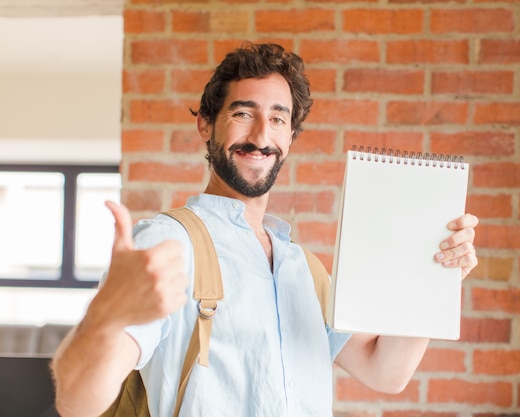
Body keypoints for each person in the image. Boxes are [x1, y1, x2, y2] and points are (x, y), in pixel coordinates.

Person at [51, 42, 478, 417]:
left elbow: (385, 372)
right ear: (205, 124)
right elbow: (76, 402)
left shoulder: (302, 267)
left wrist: (435, 275)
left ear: (291, 137)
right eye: (242, 113)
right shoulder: (168, 243)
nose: (261, 136)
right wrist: (107, 318)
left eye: (278, 119)